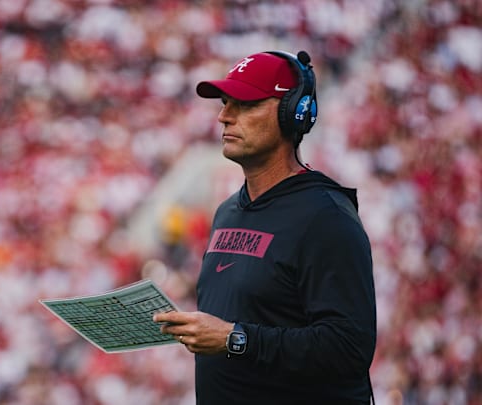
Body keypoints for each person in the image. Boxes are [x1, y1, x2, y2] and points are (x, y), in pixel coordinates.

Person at [152, 51, 377, 404]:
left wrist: (235, 339)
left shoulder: (326, 216)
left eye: (244, 104)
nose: (224, 116)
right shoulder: (226, 211)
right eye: (225, 103)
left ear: (292, 113)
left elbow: (349, 349)